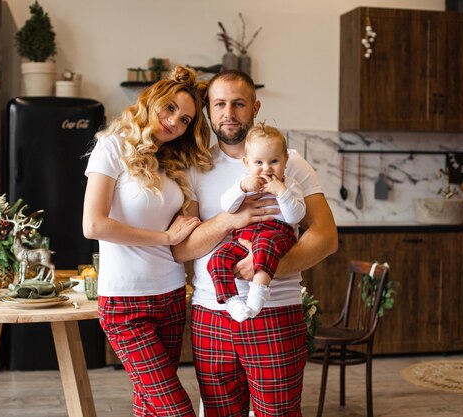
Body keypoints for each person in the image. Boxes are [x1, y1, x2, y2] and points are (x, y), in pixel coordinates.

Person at [173, 70, 338, 417]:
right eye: (219, 104)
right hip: (212, 314)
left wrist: (265, 267)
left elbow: (326, 237)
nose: (228, 113)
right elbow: (182, 249)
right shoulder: (195, 168)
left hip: (277, 312)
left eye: (238, 104)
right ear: (208, 109)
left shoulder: (291, 163)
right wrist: (231, 220)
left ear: (255, 107)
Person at [82, 65, 212, 417]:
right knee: (177, 409)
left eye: (185, 119)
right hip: (125, 304)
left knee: (150, 405)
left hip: (170, 297)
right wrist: (164, 237)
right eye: (170, 108)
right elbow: (93, 225)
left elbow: (190, 221)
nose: (175, 122)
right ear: (152, 100)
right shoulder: (111, 147)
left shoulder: (174, 161)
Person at [208, 122, 306, 322]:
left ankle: (258, 292)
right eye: (258, 162)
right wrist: (242, 187)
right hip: (244, 236)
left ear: (285, 160)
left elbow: (296, 217)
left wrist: (281, 192)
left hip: (277, 234)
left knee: (264, 244)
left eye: (274, 161)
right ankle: (232, 300)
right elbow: (227, 206)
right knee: (218, 258)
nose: (266, 169)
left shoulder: (290, 185)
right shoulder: (244, 181)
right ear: (247, 163)